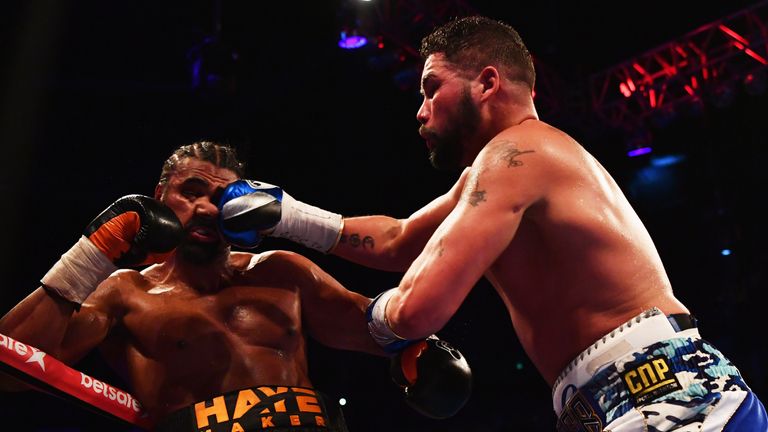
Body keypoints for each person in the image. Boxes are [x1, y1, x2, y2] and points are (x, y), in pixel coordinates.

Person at [215, 16, 768, 431]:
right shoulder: (502, 167)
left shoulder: (516, 156)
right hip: (616, 400)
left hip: (665, 395)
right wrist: (289, 215)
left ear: (486, 82)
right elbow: (401, 241)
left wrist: (374, 325)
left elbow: (417, 309)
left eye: (432, 87)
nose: (420, 109)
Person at [0, 141, 472, 432]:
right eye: (191, 192)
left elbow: (375, 325)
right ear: (160, 198)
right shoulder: (126, 294)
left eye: (223, 196)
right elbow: (12, 366)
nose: (207, 208)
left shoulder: (282, 271)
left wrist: (424, 351)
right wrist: (93, 253)